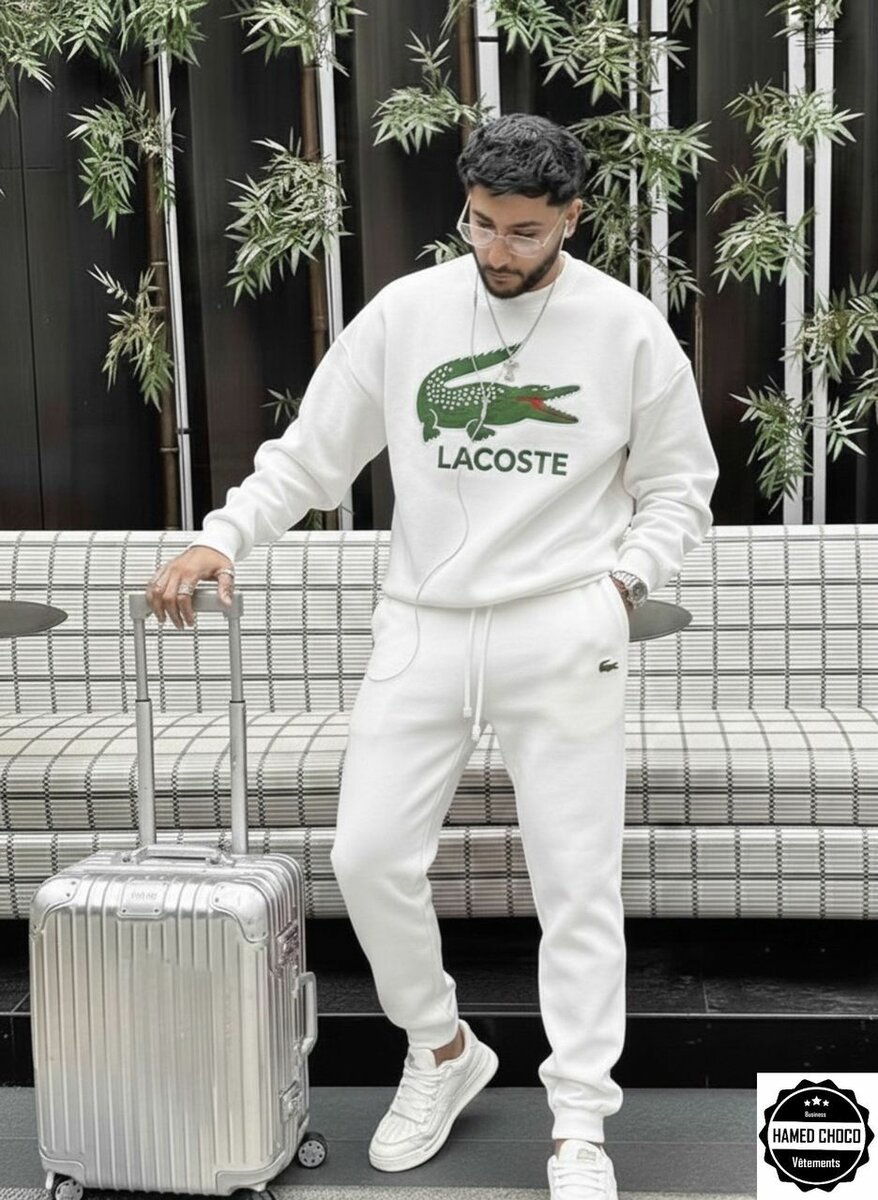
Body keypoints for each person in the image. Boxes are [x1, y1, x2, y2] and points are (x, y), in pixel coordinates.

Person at [145, 112, 720, 1200]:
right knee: (365, 857)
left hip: (563, 628)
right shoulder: (408, 313)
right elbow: (309, 459)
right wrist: (222, 538)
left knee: (576, 886)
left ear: (571, 218)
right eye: (481, 224)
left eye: (524, 232)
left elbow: (679, 487)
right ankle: (443, 1048)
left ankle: (579, 1126)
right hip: (422, 622)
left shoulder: (626, 328)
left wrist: (622, 587)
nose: (498, 250)